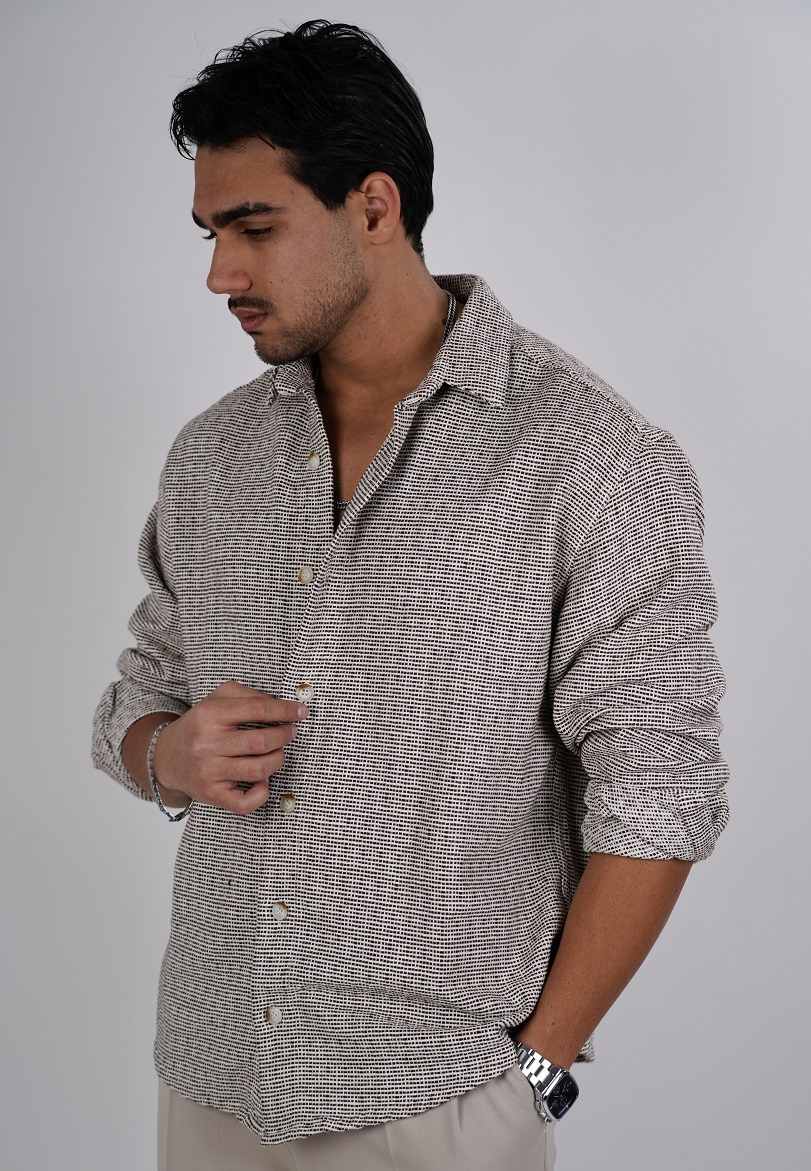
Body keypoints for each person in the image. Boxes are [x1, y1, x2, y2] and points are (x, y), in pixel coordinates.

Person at [91, 19, 729, 1171]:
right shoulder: (209, 459)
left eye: (254, 228)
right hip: (213, 1080)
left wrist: (535, 1073)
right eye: (210, 233)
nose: (219, 274)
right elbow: (134, 705)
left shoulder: (587, 454)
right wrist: (168, 754)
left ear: (374, 207)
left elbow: (660, 791)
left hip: (439, 1107)